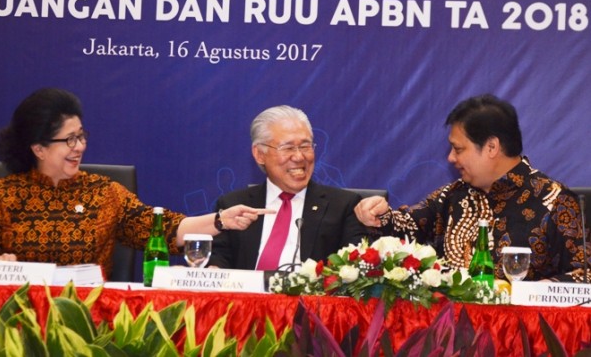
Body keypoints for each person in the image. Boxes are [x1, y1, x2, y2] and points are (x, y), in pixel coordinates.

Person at [0, 88, 268, 279]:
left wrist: (221, 220)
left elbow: (161, 227)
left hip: (86, 324)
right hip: (16, 320)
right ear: (38, 148)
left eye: (81, 136)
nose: (79, 147)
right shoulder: (5, 196)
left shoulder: (103, 193)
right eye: (69, 139)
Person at [355, 94, 590, 282]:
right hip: (452, 335)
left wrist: (542, 291)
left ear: (491, 147)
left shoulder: (554, 200)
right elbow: (406, 227)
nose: (450, 158)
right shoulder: (453, 196)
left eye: (458, 149)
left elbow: (584, 273)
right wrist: (378, 214)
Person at [208, 105, 369, 270]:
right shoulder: (232, 205)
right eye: (288, 148)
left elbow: (353, 269)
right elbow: (218, 258)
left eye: (305, 146)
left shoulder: (344, 206)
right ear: (259, 155)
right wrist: (213, 269)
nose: (299, 157)